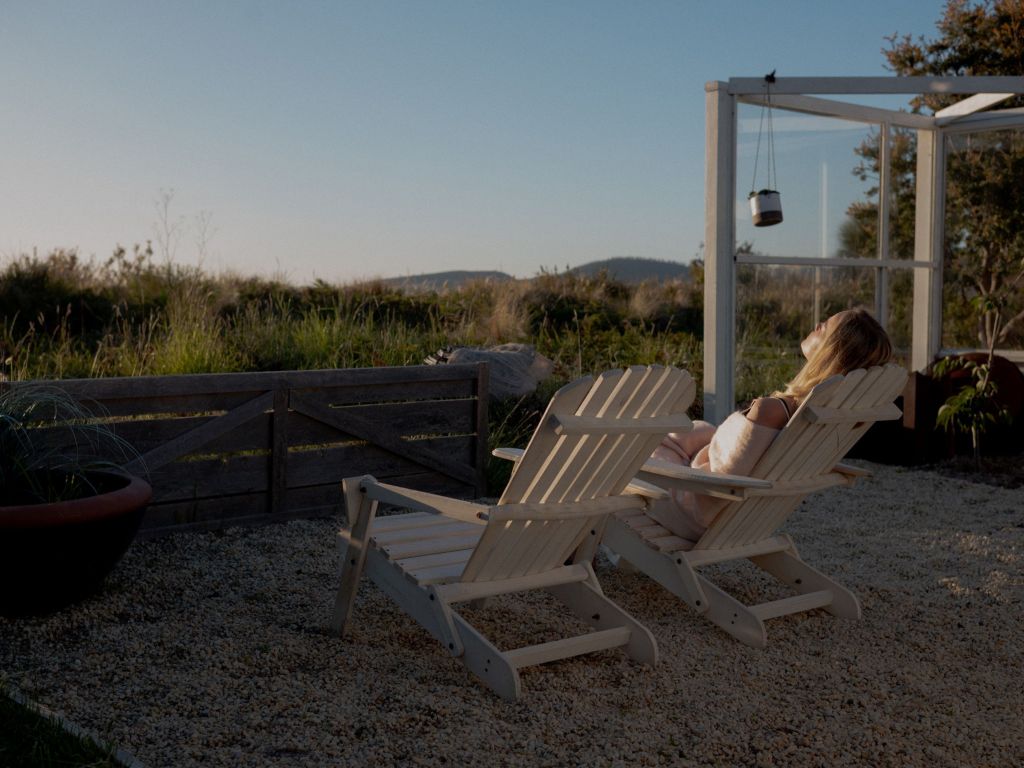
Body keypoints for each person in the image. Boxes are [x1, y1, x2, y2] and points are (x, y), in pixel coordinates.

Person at [647, 308, 894, 544]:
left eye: (826, 327)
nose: (818, 324)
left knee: (640, 443)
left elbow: (723, 480)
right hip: (741, 519)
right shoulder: (818, 417)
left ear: (833, 351)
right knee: (692, 431)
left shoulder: (772, 411)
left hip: (691, 511)